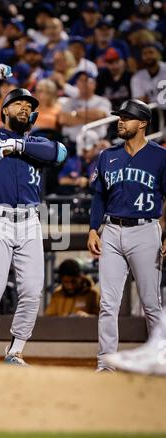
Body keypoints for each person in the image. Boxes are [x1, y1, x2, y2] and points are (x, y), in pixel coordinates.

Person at [0, 63, 67, 365]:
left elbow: (59, 154)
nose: (24, 107)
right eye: (18, 103)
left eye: (29, 105)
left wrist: (17, 145)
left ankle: (16, 350)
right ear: (4, 110)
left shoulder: (35, 143)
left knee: (33, 291)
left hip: (30, 221)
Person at [87, 99, 166, 372]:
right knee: (108, 304)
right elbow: (99, 195)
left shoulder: (160, 156)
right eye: (119, 117)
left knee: (151, 303)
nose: (121, 121)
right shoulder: (108, 155)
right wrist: (93, 229)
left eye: (127, 117)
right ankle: (105, 364)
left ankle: (160, 361)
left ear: (142, 123)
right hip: (111, 230)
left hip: (146, 230)